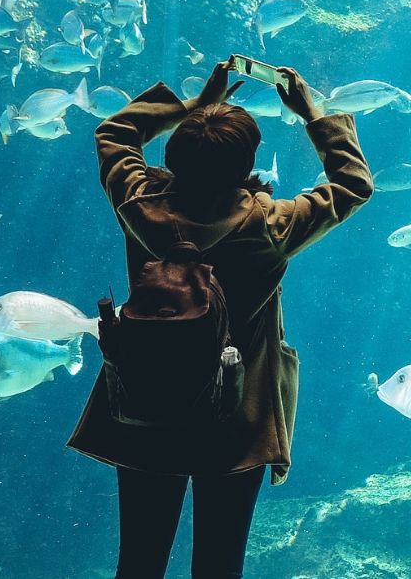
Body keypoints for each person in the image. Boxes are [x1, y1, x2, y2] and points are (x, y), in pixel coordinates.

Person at [70, 59, 373, 579]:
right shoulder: (272, 225)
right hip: (239, 416)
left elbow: (116, 132)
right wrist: (313, 113)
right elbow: (352, 184)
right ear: (247, 165)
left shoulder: (140, 203)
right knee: (219, 565)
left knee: (138, 562)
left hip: (145, 401)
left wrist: (190, 105)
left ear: (175, 155)